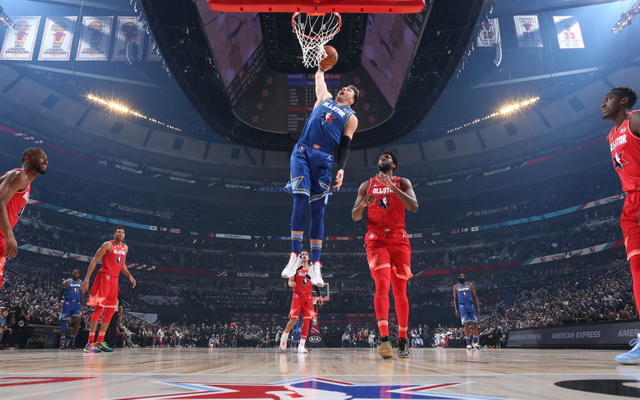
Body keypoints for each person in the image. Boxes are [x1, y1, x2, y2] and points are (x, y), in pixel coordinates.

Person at [281, 66, 360, 287]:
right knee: (300, 197)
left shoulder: (351, 117)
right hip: (303, 151)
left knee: (318, 209)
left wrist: (341, 168)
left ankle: (316, 264)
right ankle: (294, 255)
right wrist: (321, 67)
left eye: (349, 90)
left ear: (352, 100)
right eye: (343, 87)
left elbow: (345, 145)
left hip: (324, 159)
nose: (343, 89)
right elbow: (319, 78)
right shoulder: (325, 97)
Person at [351, 151, 418, 359]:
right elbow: (355, 216)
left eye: (387, 157)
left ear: (394, 164)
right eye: (381, 157)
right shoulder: (366, 184)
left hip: (398, 238)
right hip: (376, 239)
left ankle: (402, 339)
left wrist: (391, 187)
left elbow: (413, 206)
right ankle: (384, 340)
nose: (383, 158)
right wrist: (363, 204)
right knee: (382, 285)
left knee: (400, 291)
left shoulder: (402, 182)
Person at [602, 86, 640, 364]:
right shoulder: (610, 136)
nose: (603, 104)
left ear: (623, 101)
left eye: (608, 99)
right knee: (638, 271)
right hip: (631, 205)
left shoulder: (635, 120)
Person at [81, 226, 136, 353]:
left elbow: (122, 265)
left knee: (111, 310)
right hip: (104, 277)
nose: (121, 233)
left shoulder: (125, 247)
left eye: (123, 232)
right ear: (114, 234)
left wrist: (130, 276)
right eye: (118, 231)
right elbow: (95, 260)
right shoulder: (107, 245)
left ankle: (100, 341)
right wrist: (86, 279)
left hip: (114, 280)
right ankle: (90, 343)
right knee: (99, 309)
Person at [0, 148, 48, 286]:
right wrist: (9, 236)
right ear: (27, 157)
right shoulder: (19, 175)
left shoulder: (25, 183)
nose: (45, 161)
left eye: (46, 159)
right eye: (41, 157)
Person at [279, 250, 323, 353]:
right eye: (302, 254)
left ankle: (301, 345)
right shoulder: (296, 268)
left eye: (306, 254)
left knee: (307, 321)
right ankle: (284, 336)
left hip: (308, 297)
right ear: (300, 257)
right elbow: (290, 281)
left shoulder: (311, 269)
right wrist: (291, 284)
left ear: (308, 257)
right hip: (297, 296)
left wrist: (319, 295)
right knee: (294, 319)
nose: (304, 255)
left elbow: (315, 283)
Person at [452, 273, 481, 350]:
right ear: (458, 278)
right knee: (466, 324)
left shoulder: (470, 285)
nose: (461, 277)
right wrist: (456, 309)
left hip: (471, 305)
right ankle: (468, 343)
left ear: (464, 277)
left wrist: (478, 307)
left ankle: (475, 341)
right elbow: (455, 299)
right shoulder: (455, 287)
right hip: (462, 306)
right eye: (460, 276)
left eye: (462, 276)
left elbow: (475, 297)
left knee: (475, 323)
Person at [59, 269, 83, 350]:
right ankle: (63, 342)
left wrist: (83, 304)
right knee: (64, 322)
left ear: (79, 275)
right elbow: (61, 292)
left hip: (77, 303)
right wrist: (58, 302)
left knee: (77, 321)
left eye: (77, 273)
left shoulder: (81, 283)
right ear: (72, 273)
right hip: (67, 302)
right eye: (74, 272)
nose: (76, 274)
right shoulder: (67, 282)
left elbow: (82, 294)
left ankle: (71, 341)